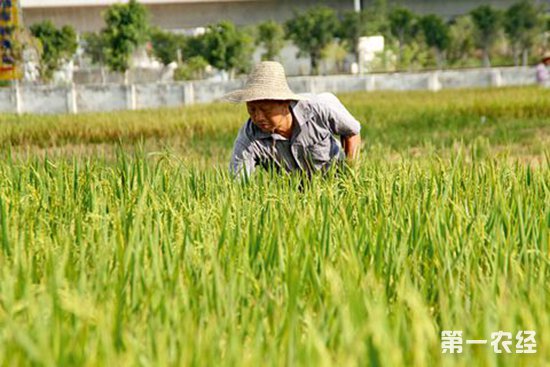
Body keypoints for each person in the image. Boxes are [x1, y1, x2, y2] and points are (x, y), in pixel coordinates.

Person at [224, 61, 362, 178]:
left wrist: (350, 175)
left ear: (285, 102)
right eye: (252, 110)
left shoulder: (318, 110)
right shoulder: (248, 138)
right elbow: (238, 181)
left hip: (333, 181)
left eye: (266, 110)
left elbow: (352, 132)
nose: (258, 117)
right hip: (293, 198)